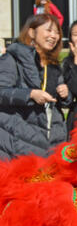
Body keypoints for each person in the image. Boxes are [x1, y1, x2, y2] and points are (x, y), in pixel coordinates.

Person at [0, 13, 71, 159]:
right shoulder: (12, 59)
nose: (54, 36)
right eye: (49, 30)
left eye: (57, 32)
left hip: (50, 141)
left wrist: (65, 95)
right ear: (32, 32)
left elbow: (59, 101)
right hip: (18, 141)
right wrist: (30, 94)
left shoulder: (53, 65)